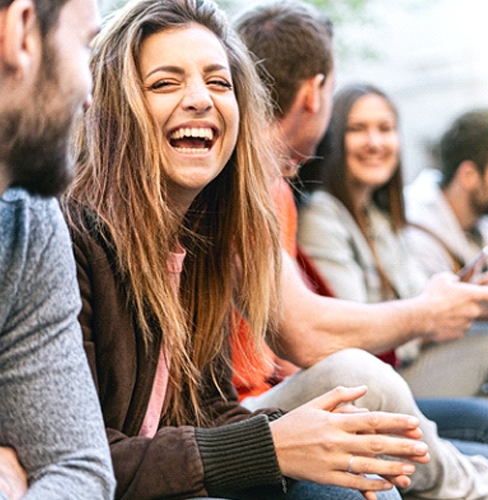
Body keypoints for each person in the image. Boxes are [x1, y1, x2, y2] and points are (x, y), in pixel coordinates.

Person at [62, 0, 433, 499]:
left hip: (175, 474)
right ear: (113, 108)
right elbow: (76, 461)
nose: (201, 99)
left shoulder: (198, 238)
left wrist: (309, 439)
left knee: (363, 481)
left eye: (219, 83)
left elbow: (209, 409)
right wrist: (273, 443)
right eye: (165, 83)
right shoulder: (69, 236)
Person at [234, 4, 488, 500]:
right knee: (478, 438)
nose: (375, 143)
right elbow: (318, 336)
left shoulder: (367, 215)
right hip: (318, 386)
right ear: (315, 94)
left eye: (386, 129)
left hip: (321, 381)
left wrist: (455, 304)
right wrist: (431, 313)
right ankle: (475, 485)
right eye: (359, 128)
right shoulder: (295, 205)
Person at [0, 0, 116, 497]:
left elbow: (81, 468)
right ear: (22, 31)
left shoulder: (28, 221)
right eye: (85, 45)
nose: (91, 94)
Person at [403, 108, 488, 486]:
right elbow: (423, 328)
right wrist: (486, 309)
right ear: (468, 175)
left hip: (478, 371)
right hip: (420, 369)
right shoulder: (415, 228)